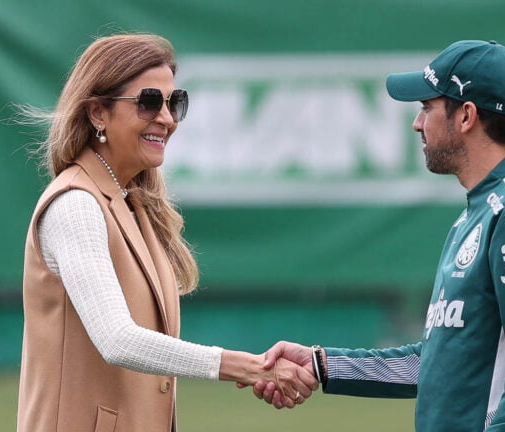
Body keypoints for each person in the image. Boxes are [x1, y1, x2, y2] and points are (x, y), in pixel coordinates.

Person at [249, 40, 505, 432]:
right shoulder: (486, 209)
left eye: (427, 107)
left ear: (465, 116)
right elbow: (437, 363)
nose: (417, 122)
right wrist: (321, 364)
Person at [16, 33, 316, 432]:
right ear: (96, 113)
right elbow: (118, 340)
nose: (167, 118)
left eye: (175, 103)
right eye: (149, 102)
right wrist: (248, 367)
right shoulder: (75, 205)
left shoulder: (133, 204)